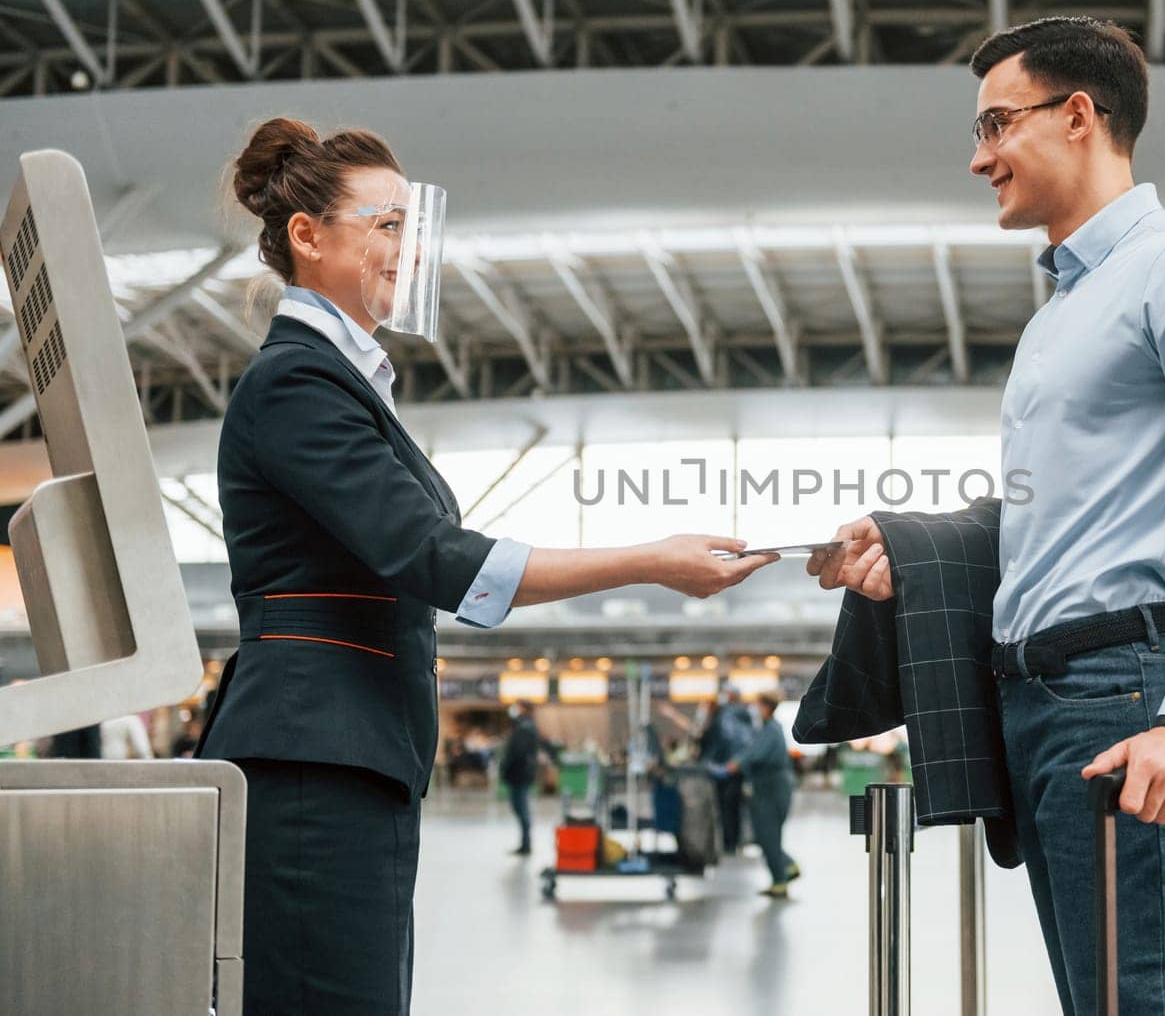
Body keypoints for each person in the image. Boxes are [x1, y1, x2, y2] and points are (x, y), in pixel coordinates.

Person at [194, 117, 777, 1015]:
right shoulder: (298, 384)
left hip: (348, 750)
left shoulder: (340, 381)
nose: (407, 248)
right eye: (385, 224)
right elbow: (433, 559)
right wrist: (647, 560)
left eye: (408, 225)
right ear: (307, 237)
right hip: (314, 755)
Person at [809, 17, 1165, 1013]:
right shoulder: (1060, 315)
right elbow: (1058, 521)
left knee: (1135, 994)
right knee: (1098, 996)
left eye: (996, 123)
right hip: (1038, 700)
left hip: (1124, 698)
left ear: (1079, 115)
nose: (977, 155)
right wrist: (916, 546)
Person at [724, 693, 799, 898]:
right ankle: (785, 869)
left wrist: (736, 764)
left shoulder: (771, 729)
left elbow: (756, 753)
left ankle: (781, 878)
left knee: (768, 834)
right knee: (765, 834)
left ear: (766, 707)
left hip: (772, 789)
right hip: (766, 787)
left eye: (757, 705)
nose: (754, 709)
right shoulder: (766, 729)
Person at [698, 689, 755, 853]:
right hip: (737, 770)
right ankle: (735, 842)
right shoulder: (744, 716)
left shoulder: (724, 717)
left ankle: (728, 843)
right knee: (735, 809)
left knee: (724, 809)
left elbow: (714, 742)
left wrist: (710, 763)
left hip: (723, 770)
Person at [502, 702, 561, 856]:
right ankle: (524, 843)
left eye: (518, 707)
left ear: (525, 709)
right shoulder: (524, 726)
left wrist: (508, 767)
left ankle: (526, 844)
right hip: (521, 773)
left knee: (521, 808)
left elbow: (518, 752)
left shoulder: (525, 727)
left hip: (520, 774)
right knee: (520, 808)